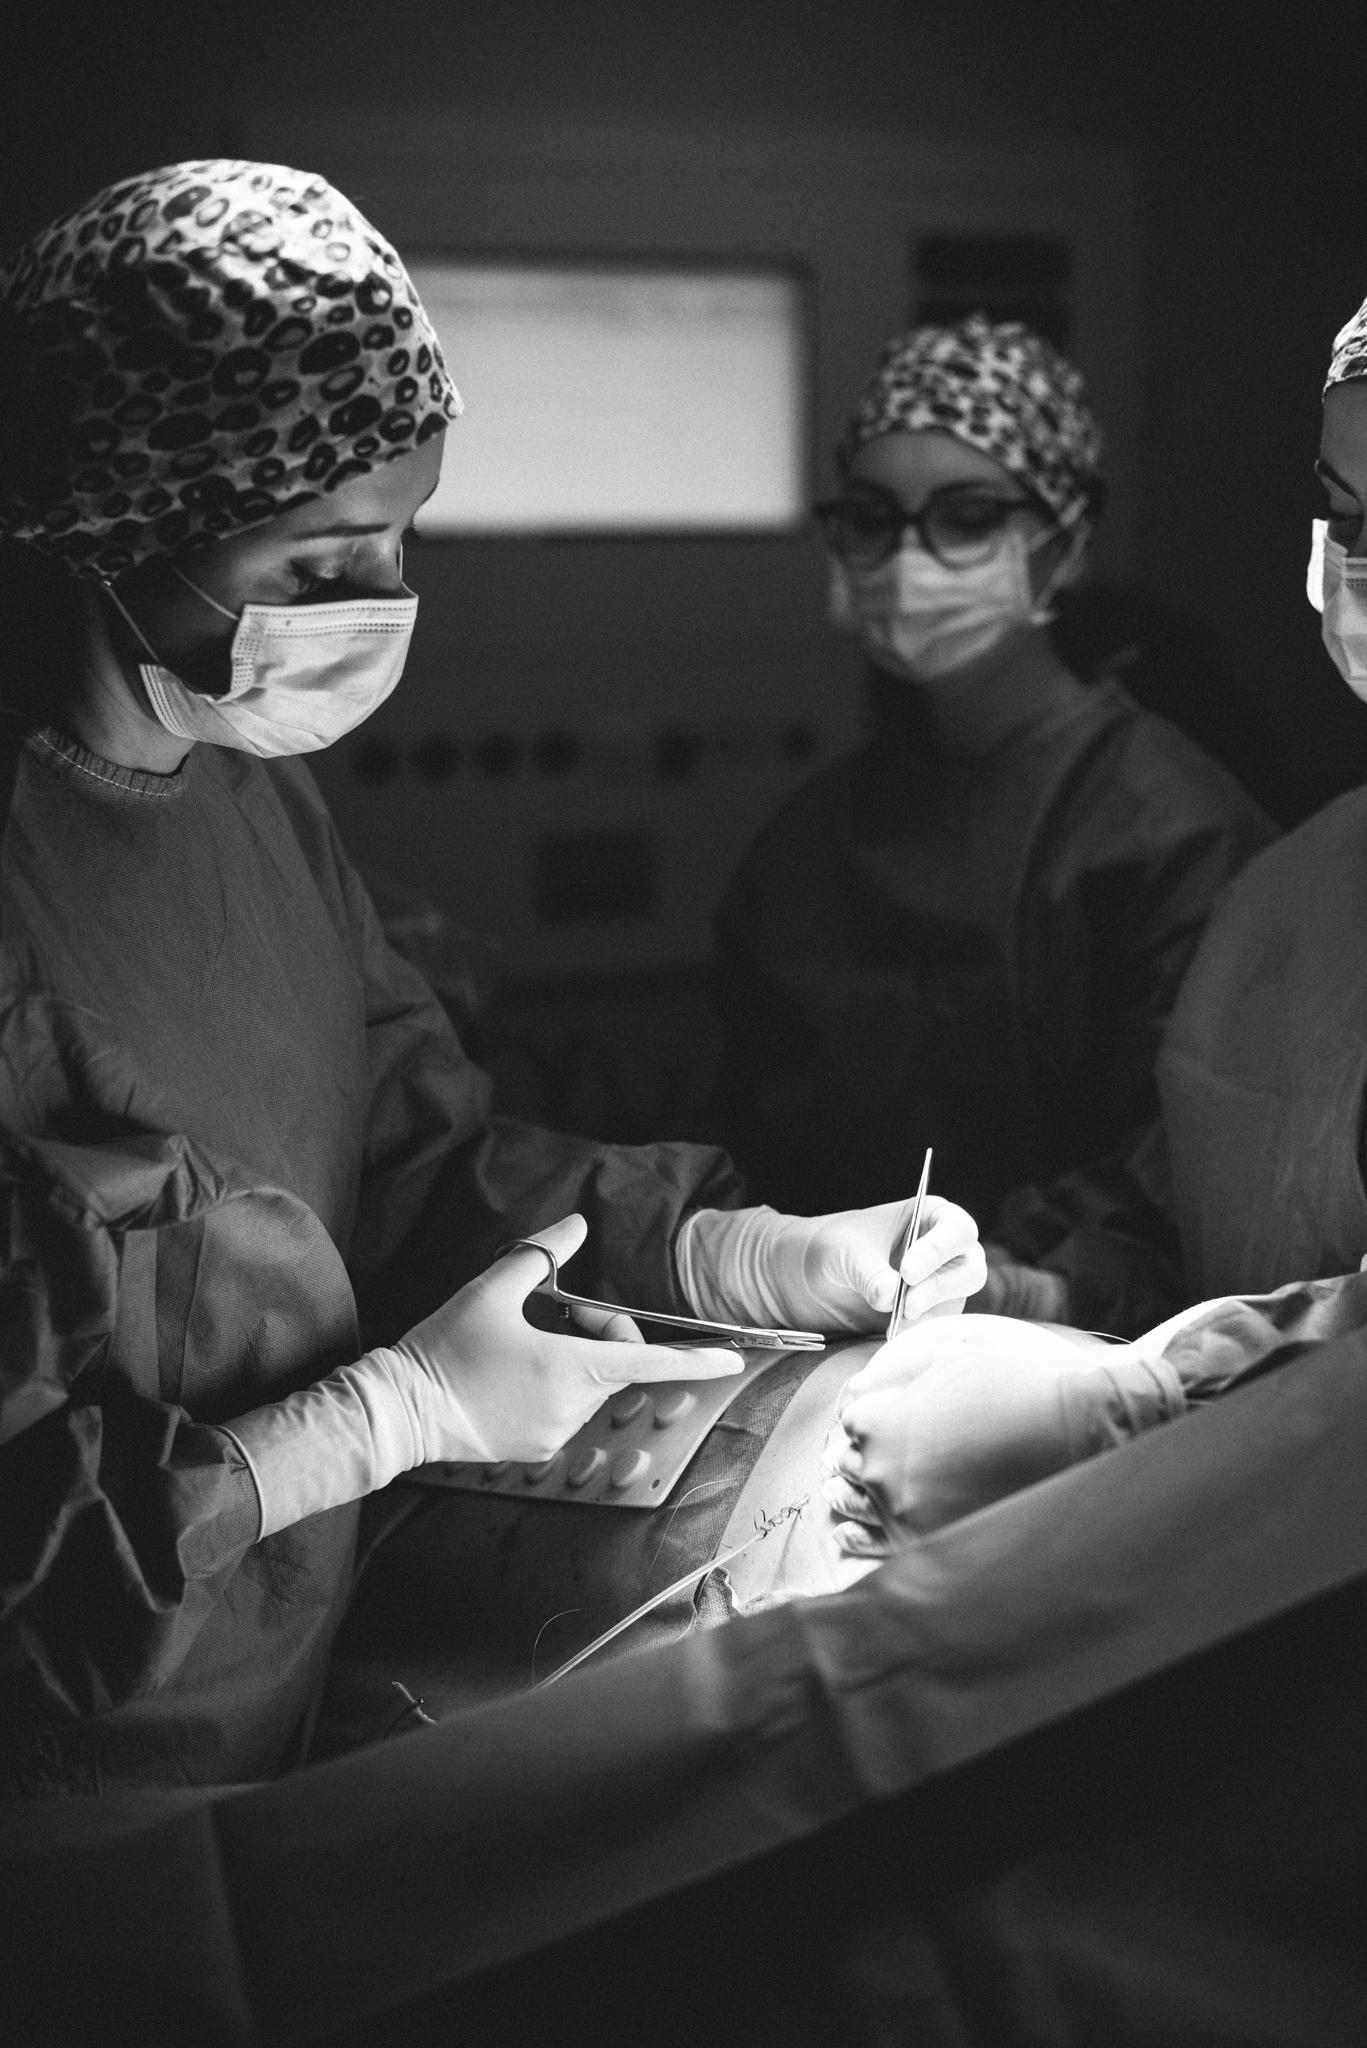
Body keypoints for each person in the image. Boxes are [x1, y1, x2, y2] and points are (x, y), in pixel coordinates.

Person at [0, 160, 985, 1798]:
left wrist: (738, 1252)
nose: (380, 605)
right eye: (323, 559)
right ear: (114, 517)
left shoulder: (251, 803)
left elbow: (416, 1154)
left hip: (267, 1698)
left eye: (405, 537)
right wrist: (364, 1425)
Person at [819, 284, 1367, 1560]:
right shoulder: (1294, 895)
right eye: (1345, 517)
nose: (1355, 567)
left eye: (967, 514)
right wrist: (1038, 1287)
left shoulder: (1175, 832)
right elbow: (1208, 1210)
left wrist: (1161, 1388)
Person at [708, 316, 1274, 1340]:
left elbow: (1195, 1158)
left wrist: (1022, 1284)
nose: (907, 557)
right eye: (871, 516)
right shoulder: (803, 843)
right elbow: (746, 1136)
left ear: (1066, 535)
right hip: (814, 1329)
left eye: (966, 517)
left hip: (1075, 1344)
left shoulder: (1173, 832)